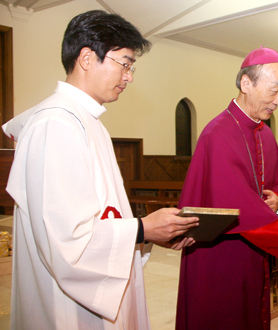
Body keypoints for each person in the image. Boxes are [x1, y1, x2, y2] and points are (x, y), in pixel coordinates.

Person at [2, 10, 199, 330]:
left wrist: (149, 235)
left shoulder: (86, 122)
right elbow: (66, 239)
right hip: (69, 309)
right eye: (125, 63)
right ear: (86, 58)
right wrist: (143, 229)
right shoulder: (56, 124)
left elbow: (103, 215)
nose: (130, 76)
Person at [175, 46, 278, 330]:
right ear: (246, 83)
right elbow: (241, 209)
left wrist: (277, 198)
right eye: (274, 90)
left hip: (255, 251)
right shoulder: (218, 134)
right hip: (220, 258)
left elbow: (277, 183)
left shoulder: (263, 131)